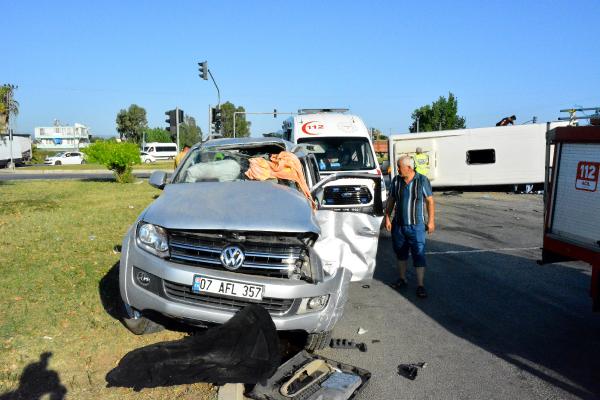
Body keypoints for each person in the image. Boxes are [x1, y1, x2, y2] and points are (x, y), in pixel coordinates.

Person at [385, 155, 435, 298]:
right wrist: (387, 217)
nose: (397, 169)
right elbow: (391, 199)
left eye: (399, 167)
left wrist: (431, 221)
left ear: (408, 167)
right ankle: (402, 279)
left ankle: (420, 285)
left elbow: (430, 201)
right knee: (400, 253)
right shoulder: (396, 180)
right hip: (399, 226)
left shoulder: (422, 180)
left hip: (416, 226)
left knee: (418, 254)